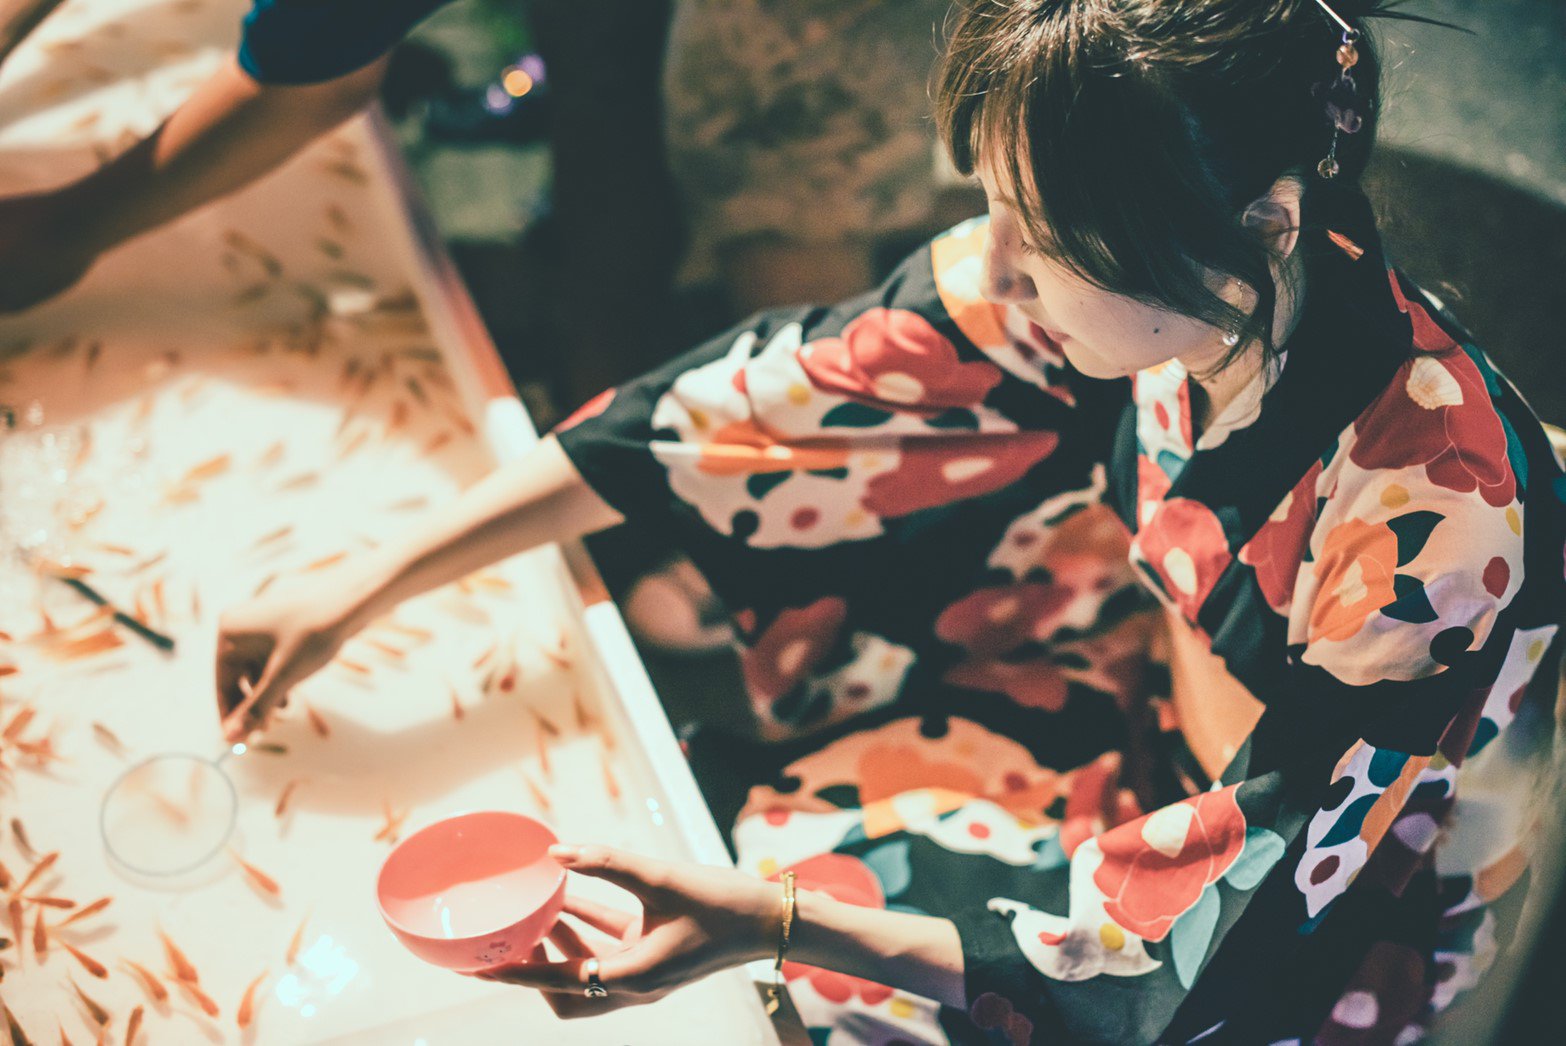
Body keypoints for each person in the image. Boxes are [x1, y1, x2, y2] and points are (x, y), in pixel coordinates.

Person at [213, 1, 1566, 1043]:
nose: (999, 266)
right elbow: (765, 400)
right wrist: (370, 575)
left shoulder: (1433, 525)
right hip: (1154, 673)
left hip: (1325, 895)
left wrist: (785, 922)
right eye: (997, 210)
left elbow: (1245, 925)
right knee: (761, 827)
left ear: (1255, 227)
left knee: (800, 930)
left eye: (1037, 240)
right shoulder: (1179, 274)